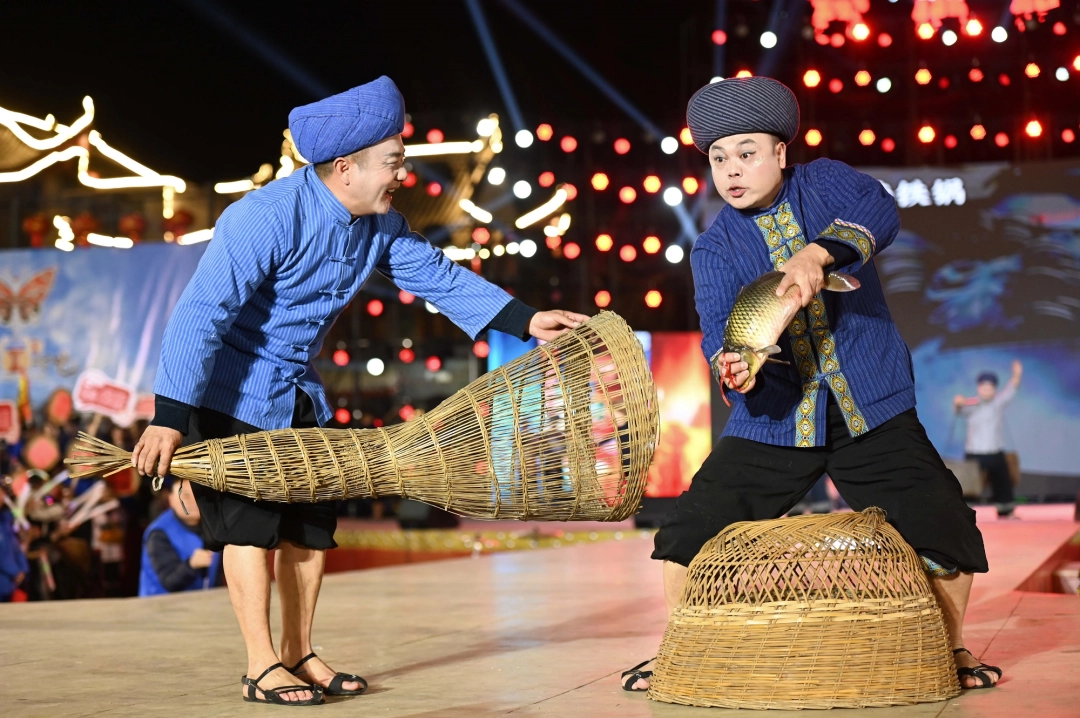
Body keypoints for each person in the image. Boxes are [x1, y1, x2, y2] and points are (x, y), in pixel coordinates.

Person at [131, 76, 588, 706]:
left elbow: (435, 275)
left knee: (308, 531)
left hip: (297, 395)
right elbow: (200, 314)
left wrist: (526, 320)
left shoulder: (379, 224)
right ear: (345, 168)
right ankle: (260, 664)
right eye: (393, 162)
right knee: (252, 530)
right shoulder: (262, 218)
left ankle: (299, 653)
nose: (401, 175)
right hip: (231, 398)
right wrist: (170, 418)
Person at [621, 77, 999, 693]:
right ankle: (678, 652)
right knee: (686, 534)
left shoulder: (824, 182)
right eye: (718, 158)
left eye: (746, 152)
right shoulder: (714, 248)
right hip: (773, 422)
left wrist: (818, 255)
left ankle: (949, 650)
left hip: (869, 414)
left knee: (948, 526)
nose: (731, 169)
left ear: (779, 153)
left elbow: (880, 209)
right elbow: (720, 334)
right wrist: (734, 368)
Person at [954, 361, 1022, 518]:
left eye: (990, 387)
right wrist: (957, 403)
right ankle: (965, 514)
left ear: (994, 389)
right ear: (978, 388)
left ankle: (1005, 510)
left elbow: (1012, 388)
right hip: (975, 452)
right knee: (969, 484)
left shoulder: (998, 402)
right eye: (983, 386)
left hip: (995, 451)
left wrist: (1017, 374)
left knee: (1003, 481)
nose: (986, 390)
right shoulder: (971, 403)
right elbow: (959, 408)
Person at [138, 479, 222, 596]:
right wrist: (192, 564)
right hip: (162, 607)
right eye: (186, 496)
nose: (193, 501)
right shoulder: (159, 533)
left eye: (196, 494)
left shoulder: (215, 526)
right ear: (170, 499)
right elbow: (169, 582)